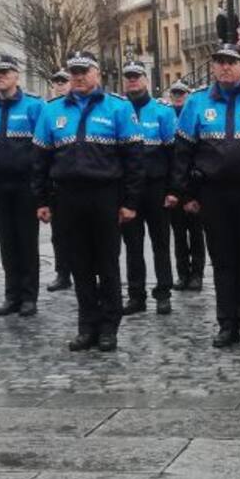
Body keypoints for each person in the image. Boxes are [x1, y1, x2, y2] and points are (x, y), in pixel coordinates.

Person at [168, 44, 240, 349]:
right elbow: (183, 152)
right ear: (213, 68)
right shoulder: (196, 102)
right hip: (213, 193)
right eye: (219, 63)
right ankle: (226, 323)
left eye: (231, 62)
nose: (225, 68)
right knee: (222, 261)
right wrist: (187, 195)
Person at [33, 52, 143, 353]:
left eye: (84, 71)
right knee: (79, 265)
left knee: (107, 263)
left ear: (98, 74)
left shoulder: (118, 108)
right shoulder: (52, 110)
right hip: (67, 196)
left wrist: (130, 201)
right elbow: (40, 160)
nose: (79, 77)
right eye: (74, 72)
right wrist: (41, 199)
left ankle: (109, 327)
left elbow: (134, 160)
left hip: (105, 195)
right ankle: (87, 326)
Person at [0, 54, 46, 318]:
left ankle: (29, 297)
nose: (0, 76)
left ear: (17, 75)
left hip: (26, 184)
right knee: (7, 242)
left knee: (27, 242)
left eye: (5, 72)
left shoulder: (34, 106)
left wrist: (42, 189)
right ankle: (12, 294)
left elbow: (42, 150)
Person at [119, 62, 176, 316]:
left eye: (136, 76)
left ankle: (163, 293)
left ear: (145, 79)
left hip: (156, 187)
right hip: (129, 189)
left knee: (161, 243)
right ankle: (136, 295)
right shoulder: (118, 110)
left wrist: (174, 189)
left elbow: (175, 154)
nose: (132, 81)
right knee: (132, 245)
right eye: (128, 77)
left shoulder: (162, 111)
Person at [166, 80, 205, 292]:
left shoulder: (195, 116)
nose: (178, 97)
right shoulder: (166, 115)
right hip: (174, 185)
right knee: (179, 234)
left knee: (196, 233)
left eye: (182, 94)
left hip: (194, 184)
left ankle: (197, 274)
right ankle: (182, 273)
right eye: (175, 94)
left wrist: (193, 193)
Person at [45, 69, 74, 293]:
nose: (60, 85)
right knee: (59, 233)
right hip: (58, 183)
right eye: (57, 82)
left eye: (64, 81)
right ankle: (62, 272)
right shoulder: (50, 110)